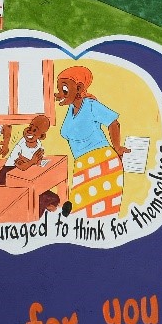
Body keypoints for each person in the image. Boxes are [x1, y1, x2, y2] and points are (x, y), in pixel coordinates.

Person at [54, 65, 129, 220]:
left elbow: (113, 123)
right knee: (81, 212)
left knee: (99, 213)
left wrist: (117, 147)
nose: (60, 94)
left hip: (102, 162)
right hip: (82, 164)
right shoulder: (71, 109)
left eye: (65, 89)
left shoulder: (91, 106)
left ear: (79, 87)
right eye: (59, 89)